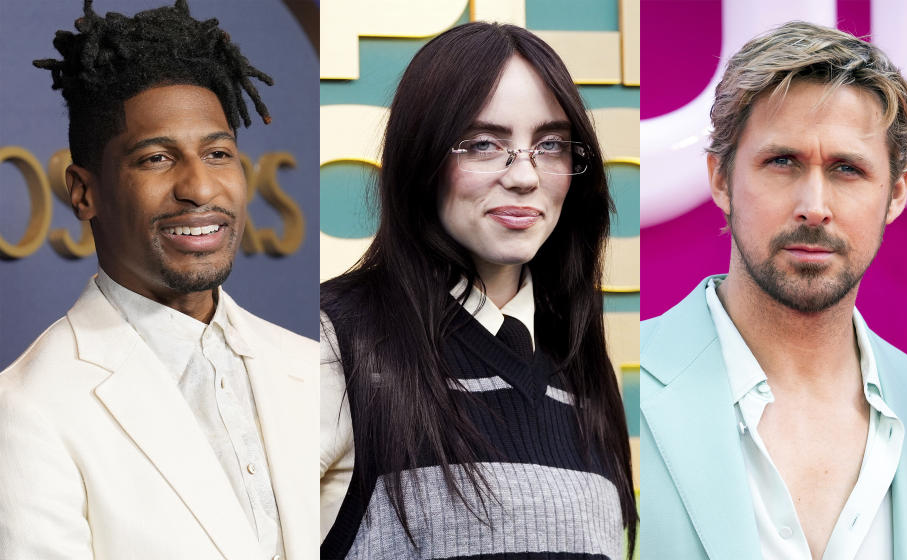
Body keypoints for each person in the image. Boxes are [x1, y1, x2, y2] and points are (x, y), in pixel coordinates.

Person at [0, 1, 351, 558]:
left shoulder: (317, 370)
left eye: (217, 153)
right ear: (83, 192)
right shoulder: (26, 411)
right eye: (156, 158)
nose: (200, 187)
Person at [628, 21, 907, 560]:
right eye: (783, 162)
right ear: (720, 178)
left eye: (847, 169)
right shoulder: (616, 381)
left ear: (895, 194)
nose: (814, 204)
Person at [317, 22, 637, 560]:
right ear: (423, 158)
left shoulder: (580, 367)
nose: (524, 177)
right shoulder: (333, 340)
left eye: (551, 145)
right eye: (484, 144)